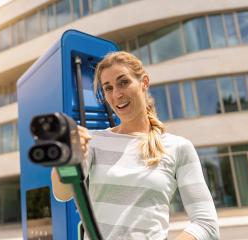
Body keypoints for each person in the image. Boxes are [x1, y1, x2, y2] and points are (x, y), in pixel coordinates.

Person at [51, 51, 219, 240]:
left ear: (144, 82)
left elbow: (206, 223)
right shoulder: (93, 141)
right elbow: (62, 193)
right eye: (108, 88)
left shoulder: (178, 147)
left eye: (123, 82)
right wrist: (66, 157)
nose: (117, 94)